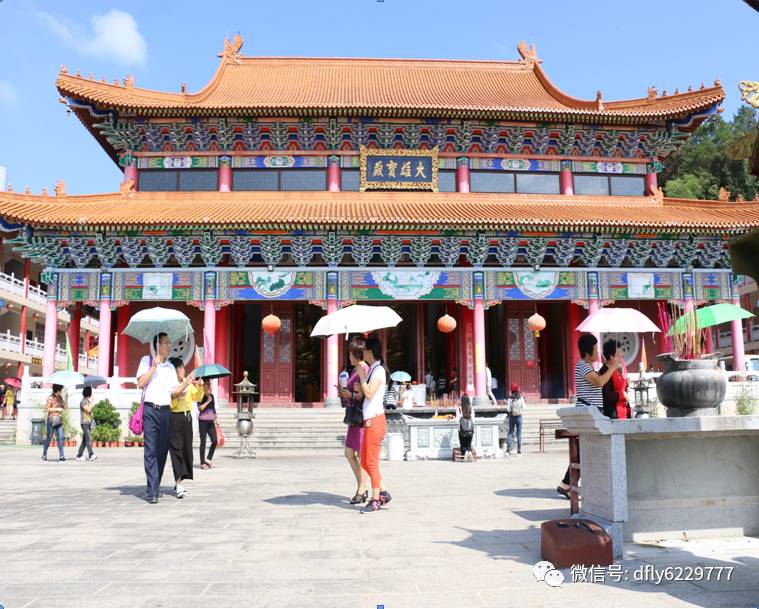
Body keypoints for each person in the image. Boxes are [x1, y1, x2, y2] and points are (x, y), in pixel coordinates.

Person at [557, 334, 618, 499]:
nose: (597, 352)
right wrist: (612, 367)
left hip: (592, 412)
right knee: (586, 452)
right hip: (587, 414)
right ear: (588, 351)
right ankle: (568, 484)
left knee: (585, 452)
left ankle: (567, 484)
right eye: (595, 348)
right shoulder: (583, 366)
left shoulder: (587, 367)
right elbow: (599, 382)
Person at [137, 332, 191, 504]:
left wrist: (186, 382)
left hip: (166, 412)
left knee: (161, 452)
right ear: (158, 345)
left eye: (169, 343)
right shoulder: (146, 361)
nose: (169, 346)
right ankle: (153, 490)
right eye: (166, 343)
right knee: (150, 450)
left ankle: (154, 484)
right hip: (150, 410)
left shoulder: (169, 368)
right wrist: (154, 366)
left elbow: (174, 393)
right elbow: (140, 383)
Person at [355, 337, 392, 513]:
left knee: (370, 462)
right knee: (365, 460)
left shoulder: (378, 371)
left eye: (364, 350)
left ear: (369, 351)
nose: (361, 353)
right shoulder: (372, 370)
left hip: (376, 420)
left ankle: (376, 499)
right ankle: (383, 491)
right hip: (369, 419)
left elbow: (370, 394)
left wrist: (362, 378)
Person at [337, 337, 369, 505]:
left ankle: (362, 490)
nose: (349, 356)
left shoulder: (363, 369)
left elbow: (362, 395)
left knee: (360, 455)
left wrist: (349, 394)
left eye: (350, 353)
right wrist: (345, 392)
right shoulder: (355, 369)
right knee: (349, 453)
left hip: (360, 417)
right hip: (353, 416)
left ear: (357, 354)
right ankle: (361, 486)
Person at [168, 357, 202, 499]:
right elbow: (170, 405)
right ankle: (178, 483)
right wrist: (177, 397)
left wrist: (199, 386)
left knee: (186, 451)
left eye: (182, 368)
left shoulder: (186, 383)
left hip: (187, 419)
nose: (182, 370)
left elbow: (197, 397)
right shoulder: (171, 385)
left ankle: (179, 481)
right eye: (179, 368)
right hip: (175, 418)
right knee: (176, 451)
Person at [599, 339, 632, 420]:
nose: (621, 357)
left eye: (621, 354)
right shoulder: (604, 371)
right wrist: (623, 394)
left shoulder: (618, 370)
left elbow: (622, 389)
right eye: (618, 354)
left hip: (624, 412)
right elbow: (607, 396)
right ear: (611, 356)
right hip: (613, 414)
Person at [42, 384, 66, 462]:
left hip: (58, 420)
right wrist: (57, 409)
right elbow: (48, 408)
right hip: (51, 420)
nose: (61, 392)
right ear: (58, 390)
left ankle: (61, 456)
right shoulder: (50, 398)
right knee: (49, 438)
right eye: (61, 390)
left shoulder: (60, 398)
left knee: (60, 438)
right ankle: (44, 455)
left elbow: (65, 407)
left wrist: (67, 399)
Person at [198, 379, 218, 469]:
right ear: (203, 385)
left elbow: (213, 409)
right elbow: (200, 408)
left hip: (211, 421)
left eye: (209, 384)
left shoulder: (212, 396)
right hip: (203, 421)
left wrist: (216, 419)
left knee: (215, 440)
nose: (209, 385)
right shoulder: (200, 396)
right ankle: (202, 463)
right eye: (207, 384)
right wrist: (208, 401)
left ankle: (208, 458)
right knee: (203, 442)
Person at [76, 386, 96, 461]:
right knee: (88, 438)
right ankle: (91, 454)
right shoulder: (83, 401)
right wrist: (92, 402)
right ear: (89, 393)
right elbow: (88, 410)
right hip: (84, 423)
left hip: (88, 422)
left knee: (85, 440)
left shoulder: (87, 401)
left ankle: (79, 455)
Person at [506, 383, 526, 456]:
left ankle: (508, 450)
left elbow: (508, 409)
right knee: (519, 433)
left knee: (510, 433)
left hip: (512, 417)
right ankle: (519, 451)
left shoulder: (510, 399)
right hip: (519, 417)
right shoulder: (521, 398)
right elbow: (524, 407)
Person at [458, 394, 476, 461]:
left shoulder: (460, 408)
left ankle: (466, 453)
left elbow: (457, 419)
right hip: (470, 430)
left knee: (463, 446)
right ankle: (469, 453)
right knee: (468, 445)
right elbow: (473, 419)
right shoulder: (471, 408)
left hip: (462, 430)